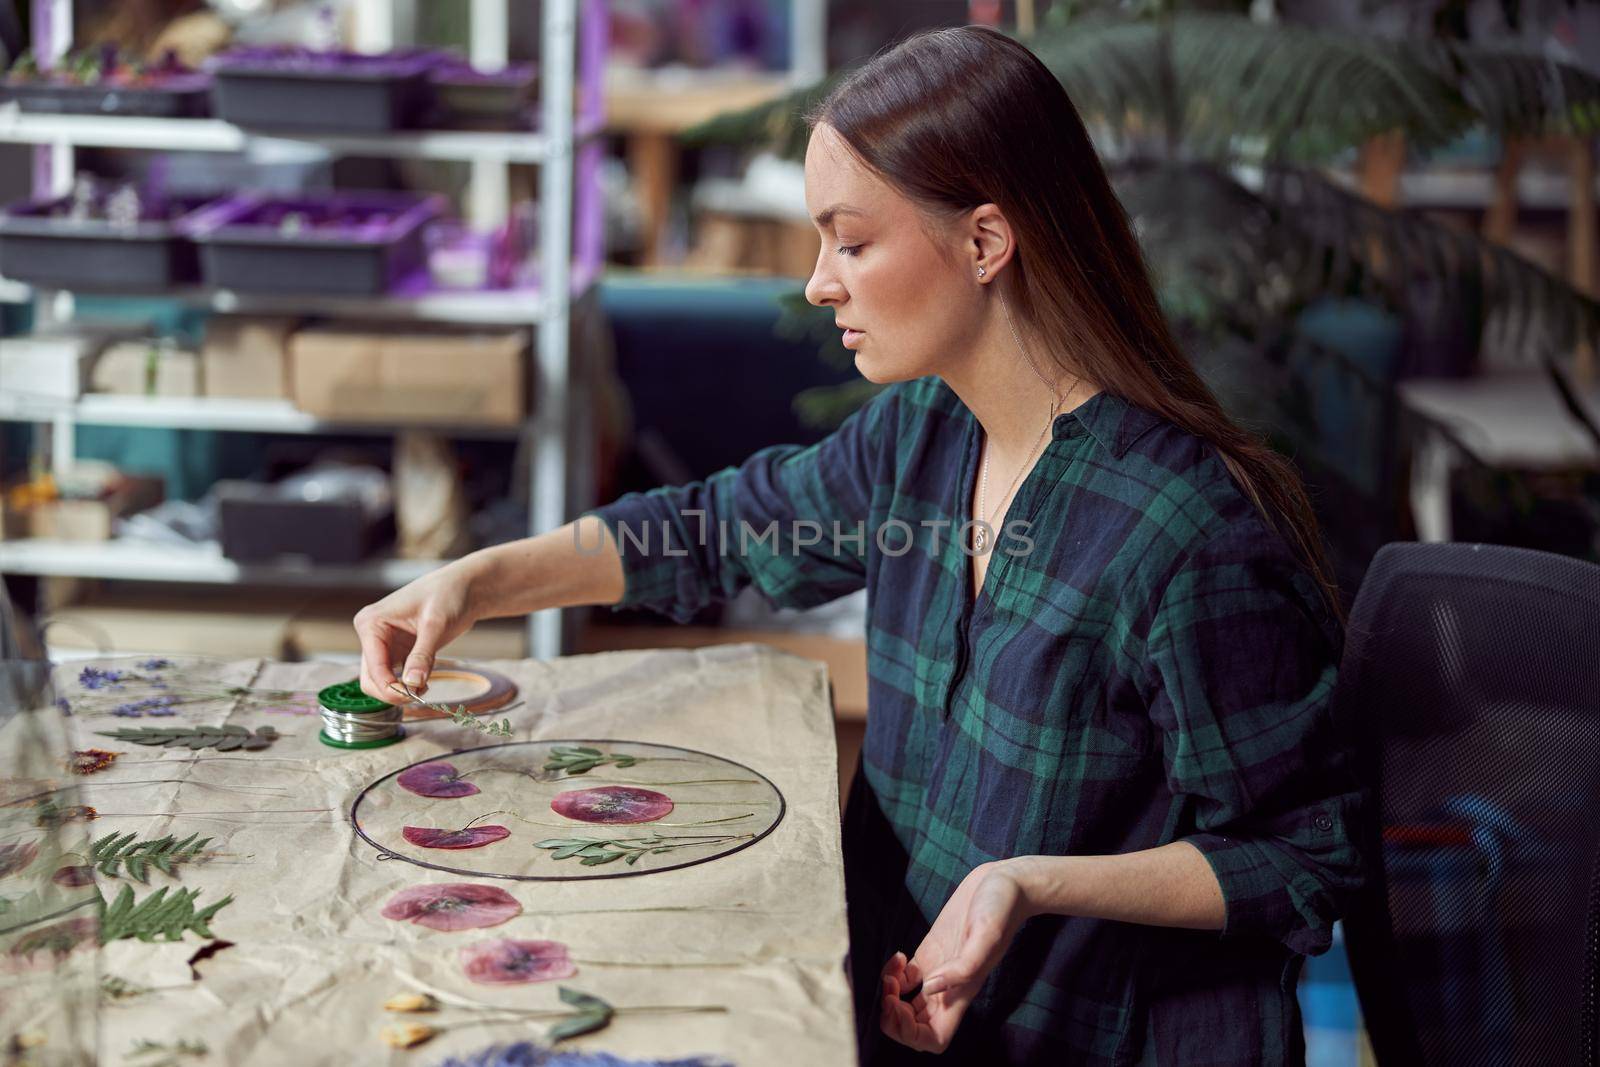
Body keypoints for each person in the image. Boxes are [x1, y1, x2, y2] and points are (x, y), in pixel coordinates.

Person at [355, 25, 1366, 1067]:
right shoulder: (919, 439)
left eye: (849, 240)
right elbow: (715, 529)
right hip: (887, 1016)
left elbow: (1307, 853)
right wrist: (476, 580)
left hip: (1086, 1038)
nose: (816, 283)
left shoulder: (1185, 529)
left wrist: (1024, 880)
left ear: (985, 241)